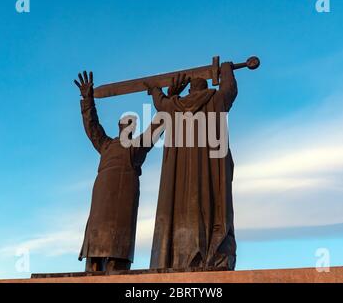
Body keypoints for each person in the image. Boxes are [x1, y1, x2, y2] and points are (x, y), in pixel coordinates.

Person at [74, 71, 184, 272]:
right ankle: (93, 268)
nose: (127, 127)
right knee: (94, 254)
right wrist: (87, 99)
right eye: (124, 124)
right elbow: (92, 126)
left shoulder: (138, 146)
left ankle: (117, 269)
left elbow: (158, 125)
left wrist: (168, 99)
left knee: (119, 253)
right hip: (101, 199)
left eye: (131, 124)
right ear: (119, 127)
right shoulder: (106, 145)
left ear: (133, 128)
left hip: (124, 200)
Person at [147, 63, 238, 270]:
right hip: (211, 169)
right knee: (214, 204)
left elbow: (159, 102)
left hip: (180, 176)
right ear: (205, 88)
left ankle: (181, 255)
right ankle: (210, 254)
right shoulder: (216, 99)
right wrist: (226, 69)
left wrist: (155, 88)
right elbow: (230, 88)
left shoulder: (174, 106)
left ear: (190, 90)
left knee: (183, 206)